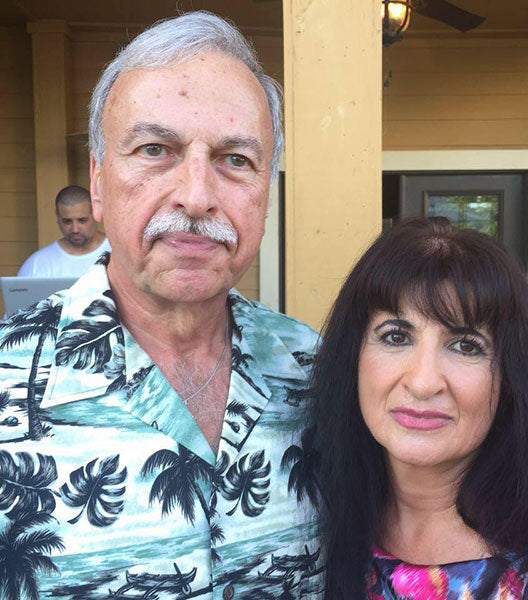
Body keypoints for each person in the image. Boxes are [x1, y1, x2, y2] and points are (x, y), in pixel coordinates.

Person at [0, 11, 322, 600]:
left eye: (236, 159)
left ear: (265, 195)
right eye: (155, 149)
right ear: (98, 183)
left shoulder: (317, 369)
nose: (197, 196)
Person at [311, 217, 528, 599]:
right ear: (353, 357)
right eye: (396, 336)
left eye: (466, 346)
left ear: (512, 378)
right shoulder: (315, 524)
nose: (423, 382)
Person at [17, 185, 111, 277]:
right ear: (58, 217)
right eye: (67, 221)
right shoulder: (37, 264)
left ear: (96, 213)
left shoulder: (116, 252)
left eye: (82, 220)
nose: (75, 229)